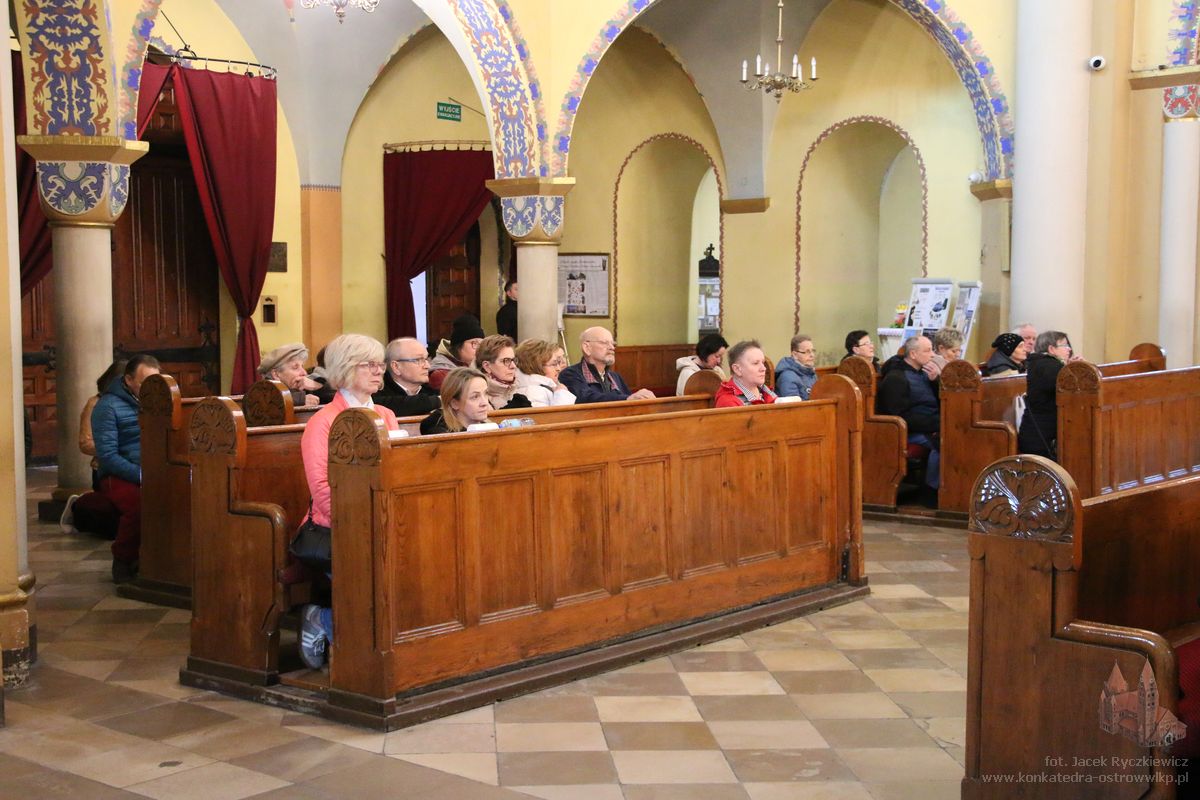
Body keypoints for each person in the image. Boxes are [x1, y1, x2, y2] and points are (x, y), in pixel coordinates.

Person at [298, 334, 400, 669]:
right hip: (337, 527)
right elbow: (322, 489)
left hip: (384, 518)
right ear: (344, 368)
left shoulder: (385, 414)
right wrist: (363, 525)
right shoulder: (323, 422)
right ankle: (325, 622)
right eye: (368, 364)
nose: (378, 371)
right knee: (372, 576)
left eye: (380, 364)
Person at [92, 354, 161, 583]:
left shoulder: (158, 402)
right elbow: (108, 456)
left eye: (155, 383)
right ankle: (122, 559)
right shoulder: (107, 407)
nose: (150, 389)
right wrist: (141, 475)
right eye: (144, 383)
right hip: (118, 473)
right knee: (140, 506)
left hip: (154, 469)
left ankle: (163, 561)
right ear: (129, 380)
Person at [61, 359, 127, 539]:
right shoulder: (96, 404)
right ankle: (80, 505)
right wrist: (118, 448)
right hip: (105, 468)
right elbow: (85, 443)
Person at [878, 335, 941, 503]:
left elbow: (936, 402)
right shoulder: (896, 378)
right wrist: (935, 424)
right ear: (913, 354)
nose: (932, 355)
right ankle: (931, 491)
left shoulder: (925, 373)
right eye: (928, 350)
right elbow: (899, 415)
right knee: (944, 443)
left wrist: (936, 381)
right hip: (908, 431)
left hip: (929, 424)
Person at [560, 326, 656, 403]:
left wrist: (640, 398)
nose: (612, 348)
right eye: (604, 343)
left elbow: (629, 401)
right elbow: (587, 398)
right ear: (587, 348)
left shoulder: (615, 377)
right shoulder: (570, 374)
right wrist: (627, 399)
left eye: (613, 343)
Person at [1018, 331, 1074, 460]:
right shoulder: (1051, 367)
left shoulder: (1040, 363)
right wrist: (1077, 368)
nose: (1069, 349)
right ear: (1051, 349)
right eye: (1064, 345)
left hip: (1035, 433)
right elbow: (1074, 387)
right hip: (1043, 438)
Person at [372, 337, 441, 417]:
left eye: (426, 359)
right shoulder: (375, 393)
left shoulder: (432, 392)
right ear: (396, 367)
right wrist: (437, 401)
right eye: (418, 360)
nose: (427, 366)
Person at [421, 367, 491, 435]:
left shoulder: (491, 429)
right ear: (454, 403)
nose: (485, 403)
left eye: (486, 393)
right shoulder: (442, 436)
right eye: (475, 397)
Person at [475, 334, 533, 410]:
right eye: (506, 361)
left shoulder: (521, 394)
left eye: (513, 360)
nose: (513, 366)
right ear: (487, 366)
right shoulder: (479, 399)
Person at [429, 314, 485, 391]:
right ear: (458, 345)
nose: (479, 348)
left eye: (481, 344)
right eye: (474, 343)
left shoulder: (479, 366)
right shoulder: (441, 374)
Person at [714, 340, 777, 407]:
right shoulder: (728, 403)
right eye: (755, 363)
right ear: (737, 369)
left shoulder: (766, 392)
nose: (763, 368)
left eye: (763, 362)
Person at [514, 339, 576, 407]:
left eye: (558, 363)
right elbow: (555, 414)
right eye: (554, 364)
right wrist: (562, 395)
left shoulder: (542, 387)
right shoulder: (534, 392)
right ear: (537, 366)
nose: (558, 369)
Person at [258, 343, 323, 407]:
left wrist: (316, 386)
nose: (304, 373)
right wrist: (301, 400)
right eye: (295, 367)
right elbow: (270, 399)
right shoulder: (262, 392)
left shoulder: (302, 387)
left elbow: (329, 396)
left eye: (302, 366)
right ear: (276, 374)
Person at [775, 334, 817, 400]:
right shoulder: (787, 377)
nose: (812, 355)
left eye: (813, 351)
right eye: (807, 352)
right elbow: (794, 405)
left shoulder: (810, 373)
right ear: (795, 355)